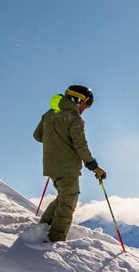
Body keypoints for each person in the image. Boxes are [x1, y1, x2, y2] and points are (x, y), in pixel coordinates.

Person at [33, 84, 106, 242]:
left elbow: (38, 136)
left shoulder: (49, 114)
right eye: (85, 104)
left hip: (51, 166)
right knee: (68, 202)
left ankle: (41, 229)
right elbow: (80, 145)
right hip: (67, 167)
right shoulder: (74, 118)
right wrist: (94, 166)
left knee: (63, 197)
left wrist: (55, 141)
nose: (85, 108)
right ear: (77, 99)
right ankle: (55, 239)